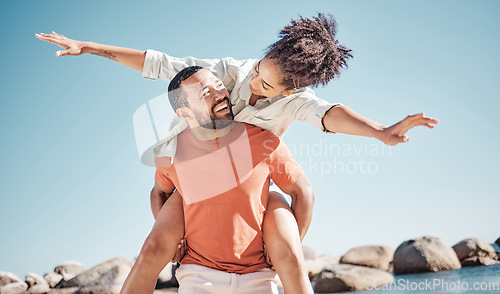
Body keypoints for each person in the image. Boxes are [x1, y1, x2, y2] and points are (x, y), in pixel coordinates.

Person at [36, 12, 438, 293]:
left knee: (286, 236)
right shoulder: (227, 72)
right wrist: (87, 47)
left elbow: (331, 115)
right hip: (196, 171)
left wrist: (382, 132)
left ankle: (279, 268)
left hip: (250, 177)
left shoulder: (295, 103)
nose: (253, 85)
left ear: (291, 90)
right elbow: (158, 63)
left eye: (268, 86)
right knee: (154, 245)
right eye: (260, 71)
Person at [128, 65, 313, 293]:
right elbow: (159, 192)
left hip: (258, 278)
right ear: (185, 113)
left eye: (219, 86)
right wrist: (175, 241)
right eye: (205, 93)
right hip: (199, 276)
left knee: (276, 198)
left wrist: (288, 249)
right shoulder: (172, 152)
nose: (219, 94)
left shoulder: (261, 140)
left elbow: (302, 192)